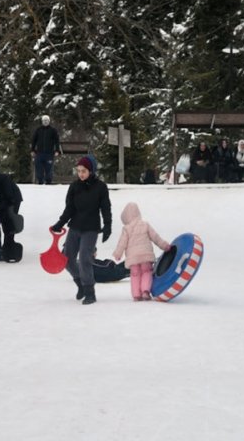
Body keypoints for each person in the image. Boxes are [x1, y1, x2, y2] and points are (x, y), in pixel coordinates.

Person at [51, 156, 112, 305]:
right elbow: (69, 208)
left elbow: (105, 209)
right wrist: (60, 223)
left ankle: (90, 292)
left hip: (91, 229)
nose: (80, 174)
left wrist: (107, 226)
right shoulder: (74, 187)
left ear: (91, 171)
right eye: (78, 171)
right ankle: (80, 284)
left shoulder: (100, 187)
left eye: (83, 171)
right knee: (67, 258)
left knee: (85, 258)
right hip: (75, 227)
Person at [112, 202, 171, 301]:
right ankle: (145, 291)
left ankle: (136, 295)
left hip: (133, 257)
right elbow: (155, 237)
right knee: (146, 272)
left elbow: (122, 243)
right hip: (145, 255)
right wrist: (165, 246)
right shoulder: (145, 225)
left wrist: (118, 254)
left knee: (135, 274)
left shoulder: (126, 229)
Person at [31, 114, 61, 184]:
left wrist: (57, 150)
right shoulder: (38, 130)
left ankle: (48, 183)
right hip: (39, 153)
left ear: (49, 121)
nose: (45, 122)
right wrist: (32, 150)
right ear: (42, 121)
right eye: (44, 120)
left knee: (49, 169)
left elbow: (57, 141)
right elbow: (34, 140)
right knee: (39, 169)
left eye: (47, 120)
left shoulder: (53, 130)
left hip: (49, 153)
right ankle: (40, 182)